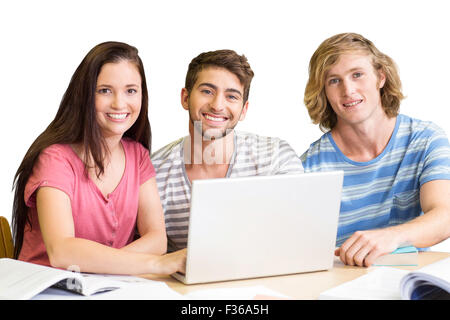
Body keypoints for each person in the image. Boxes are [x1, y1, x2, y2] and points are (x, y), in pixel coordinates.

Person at [12, 41, 186, 275]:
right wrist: (155, 264)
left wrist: (103, 268)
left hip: (107, 289)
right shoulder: (54, 159)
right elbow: (62, 252)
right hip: (47, 290)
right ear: (85, 95)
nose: (119, 103)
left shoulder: (138, 156)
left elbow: (156, 240)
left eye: (131, 90)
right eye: (105, 90)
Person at [301, 33, 450, 267]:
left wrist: (391, 237)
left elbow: (445, 217)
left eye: (357, 75)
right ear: (324, 92)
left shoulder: (426, 139)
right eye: (334, 80)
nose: (348, 90)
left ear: (380, 77)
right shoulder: (309, 169)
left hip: (410, 283)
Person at [151, 49, 304, 251]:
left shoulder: (276, 157)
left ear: (244, 110)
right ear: (185, 98)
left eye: (231, 96)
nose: (217, 105)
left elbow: (299, 235)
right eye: (207, 91)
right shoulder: (154, 173)